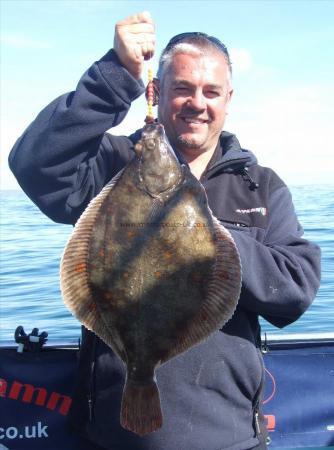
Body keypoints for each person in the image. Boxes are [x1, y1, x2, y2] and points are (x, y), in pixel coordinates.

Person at [8, 11, 321, 450]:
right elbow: (35, 165)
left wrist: (206, 236)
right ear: (156, 91)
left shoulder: (260, 185)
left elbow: (295, 289)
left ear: (228, 99)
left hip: (229, 437)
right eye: (183, 88)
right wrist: (114, 75)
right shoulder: (113, 165)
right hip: (110, 439)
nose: (198, 103)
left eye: (211, 92)